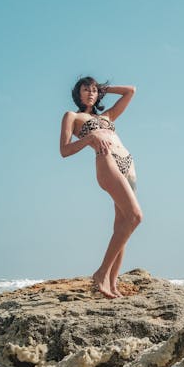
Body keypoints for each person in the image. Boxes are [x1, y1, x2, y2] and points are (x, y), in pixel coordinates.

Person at [59, 76, 143, 298]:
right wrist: (89, 138)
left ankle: (112, 284)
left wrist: (104, 88)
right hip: (106, 161)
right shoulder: (72, 116)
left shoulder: (107, 116)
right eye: (86, 89)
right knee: (135, 216)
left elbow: (130, 91)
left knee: (123, 224)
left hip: (128, 165)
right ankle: (101, 273)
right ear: (78, 94)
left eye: (94, 90)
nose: (90, 93)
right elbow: (64, 151)